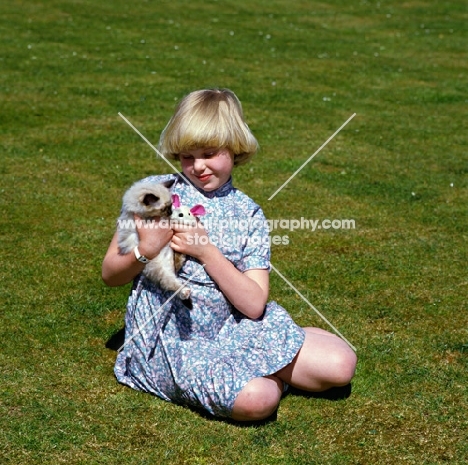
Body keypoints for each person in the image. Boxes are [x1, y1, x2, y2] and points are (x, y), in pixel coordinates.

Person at [102, 88, 357, 421]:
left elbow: (253, 305)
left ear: (235, 149)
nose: (198, 166)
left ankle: (281, 350)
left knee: (341, 365)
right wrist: (145, 250)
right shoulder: (154, 192)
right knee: (259, 399)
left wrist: (206, 252)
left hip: (233, 327)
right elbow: (110, 274)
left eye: (209, 153)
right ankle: (275, 372)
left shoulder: (248, 213)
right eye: (187, 156)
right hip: (173, 344)